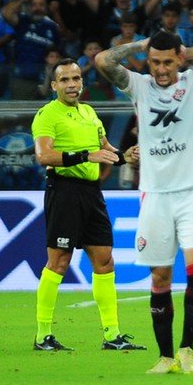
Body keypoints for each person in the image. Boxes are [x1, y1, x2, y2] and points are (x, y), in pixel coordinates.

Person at [94, 30, 193, 374]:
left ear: (179, 59)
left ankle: (188, 349)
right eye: (155, 62)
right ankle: (166, 356)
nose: (161, 69)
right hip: (154, 196)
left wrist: (189, 51)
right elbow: (102, 61)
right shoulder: (139, 86)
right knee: (159, 279)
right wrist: (140, 45)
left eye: (168, 61)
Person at [30, 57, 143, 353]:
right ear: (54, 85)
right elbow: (44, 156)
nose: (72, 85)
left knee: (104, 260)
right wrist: (84, 156)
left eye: (76, 78)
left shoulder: (90, 113)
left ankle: (112, 334)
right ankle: (43, 335)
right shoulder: (47, 115)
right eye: (65, 80)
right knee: (59, 262)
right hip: (64, 191)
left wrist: (125, 156)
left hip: (92, 193)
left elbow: (104, 150)